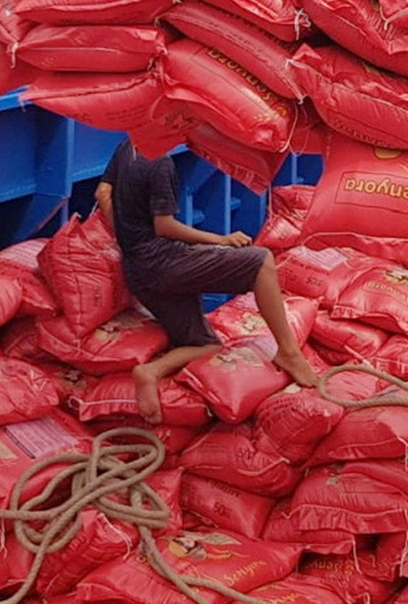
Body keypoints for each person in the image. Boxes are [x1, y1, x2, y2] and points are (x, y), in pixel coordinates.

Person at [93, 137, 319, 421]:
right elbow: (164, 227)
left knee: (207, 344)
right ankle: (289, 351)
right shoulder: (159, 161)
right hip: (164, 265)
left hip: (139, 272)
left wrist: (130, 239)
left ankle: (150, 371)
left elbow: (103, 193)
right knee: (261, 262)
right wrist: (220, 240)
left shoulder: (128, 145)